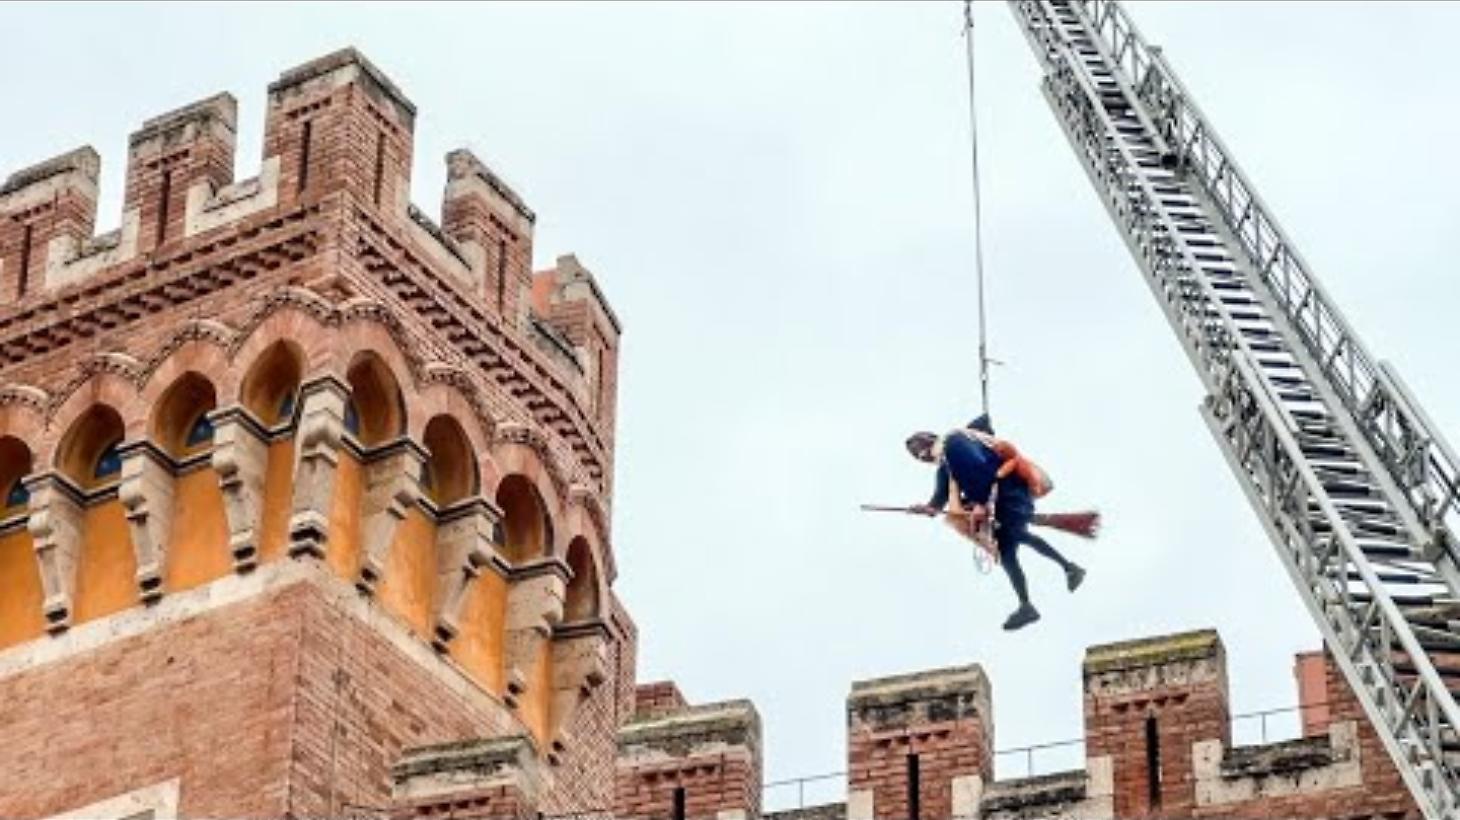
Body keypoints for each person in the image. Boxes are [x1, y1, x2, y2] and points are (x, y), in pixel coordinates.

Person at [906, 414, 1085, 631]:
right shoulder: (946, 466)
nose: (921, 456)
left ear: (930, 440)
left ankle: (1069, 569)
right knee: (1008, 553)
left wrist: (979, 503)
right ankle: (1028, 603)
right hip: (998, 500)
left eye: (920, 449)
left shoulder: (954, 444)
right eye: (917, 456)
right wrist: (925, 508)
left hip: (1008, 493)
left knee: (1017, 535)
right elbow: (938, 500)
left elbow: (980, 468)